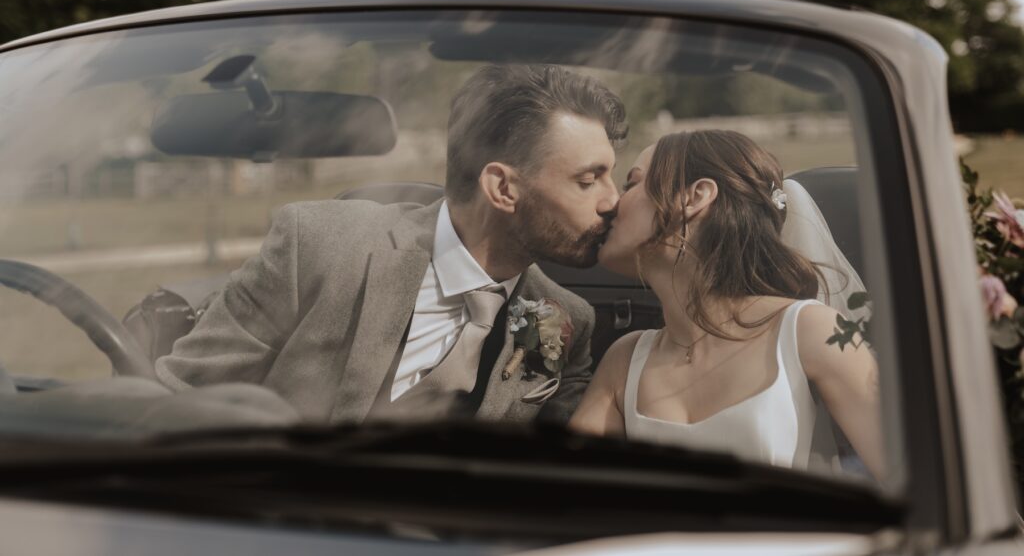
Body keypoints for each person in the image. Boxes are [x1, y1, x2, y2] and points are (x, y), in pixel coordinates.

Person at [155, 64, 628, 426]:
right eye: (589, 180)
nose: (614, 200)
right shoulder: (317, 246)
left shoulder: (563, 320)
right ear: (503, 189)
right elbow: (177, 401)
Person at [570, 130, 884, 478]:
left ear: (696, 196)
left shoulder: (811, 331)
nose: (613, 202)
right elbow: (565, 493)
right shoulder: (623, 360)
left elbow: (918, 484)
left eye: (633, 183)